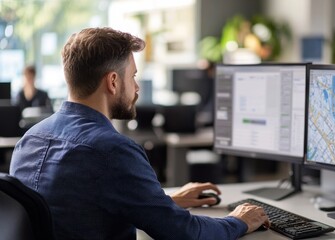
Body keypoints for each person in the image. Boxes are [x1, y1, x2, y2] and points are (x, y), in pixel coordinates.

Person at [10, 27, 269, 240]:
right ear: (112, 82)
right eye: (132, 76)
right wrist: (239, 221)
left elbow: (75, 207)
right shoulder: (112, 150)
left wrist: (163, 201)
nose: (136, 87)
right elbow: (184, 234)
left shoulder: (29, 140)